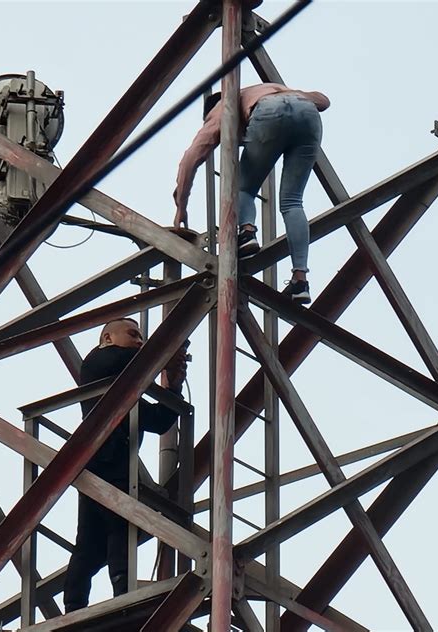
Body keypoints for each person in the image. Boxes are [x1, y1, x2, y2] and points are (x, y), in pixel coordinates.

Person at [63, 318, 187, 613]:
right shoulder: (97, 362)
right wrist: (163, 352)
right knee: (117, 530)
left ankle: (82, 605)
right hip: (104, 463)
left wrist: (174, 387)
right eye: (132, 334)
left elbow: (158, 420)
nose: (138, 341)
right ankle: (116, 600)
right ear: (107, 338)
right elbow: (126, 360)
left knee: (92, 545)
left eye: (141, 338)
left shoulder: (125, 392)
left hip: (108, 465)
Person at [173, 82, 330, 303]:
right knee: (293, 202)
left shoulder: (222, 108)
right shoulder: (275, 88)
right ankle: (300, 279)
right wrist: (298, 97)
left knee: (242, 188)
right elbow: (323, 100)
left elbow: (192, 158)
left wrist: (181, 204)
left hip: (267, 112)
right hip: (309, 114)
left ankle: (247, 233)